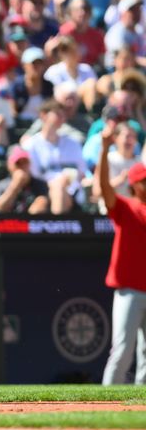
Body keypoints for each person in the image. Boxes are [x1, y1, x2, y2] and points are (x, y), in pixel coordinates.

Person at [97, 123, 146, 385]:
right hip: (129, 290)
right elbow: (105, 187)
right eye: (145, 181)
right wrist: (104, 150)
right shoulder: (126, 206)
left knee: (145, 355)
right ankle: (106, 402)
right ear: (135, 185)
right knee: (122, 350)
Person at [0, 146, 50, 214]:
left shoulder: (40, 185)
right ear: (9, 165)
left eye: (25, 162)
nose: (22, 167)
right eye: (18, 163)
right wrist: (15, 185)